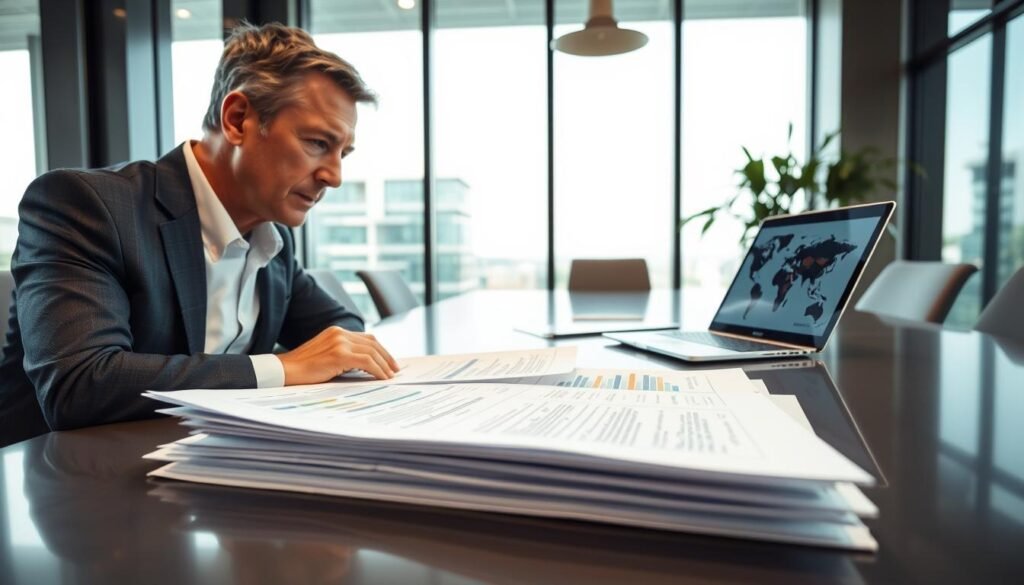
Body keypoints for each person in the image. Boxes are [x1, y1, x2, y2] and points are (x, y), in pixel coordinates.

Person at [0, 22, 399, 447]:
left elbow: (341, 333)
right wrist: (284, 368)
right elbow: (80, 384)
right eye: (318, 143)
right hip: (63, 484)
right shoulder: (87, 205)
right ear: (237, 119)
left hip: (196, 466)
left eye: (344, 153)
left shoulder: (271, 240)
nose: (334, 176)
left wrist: (329, 356)